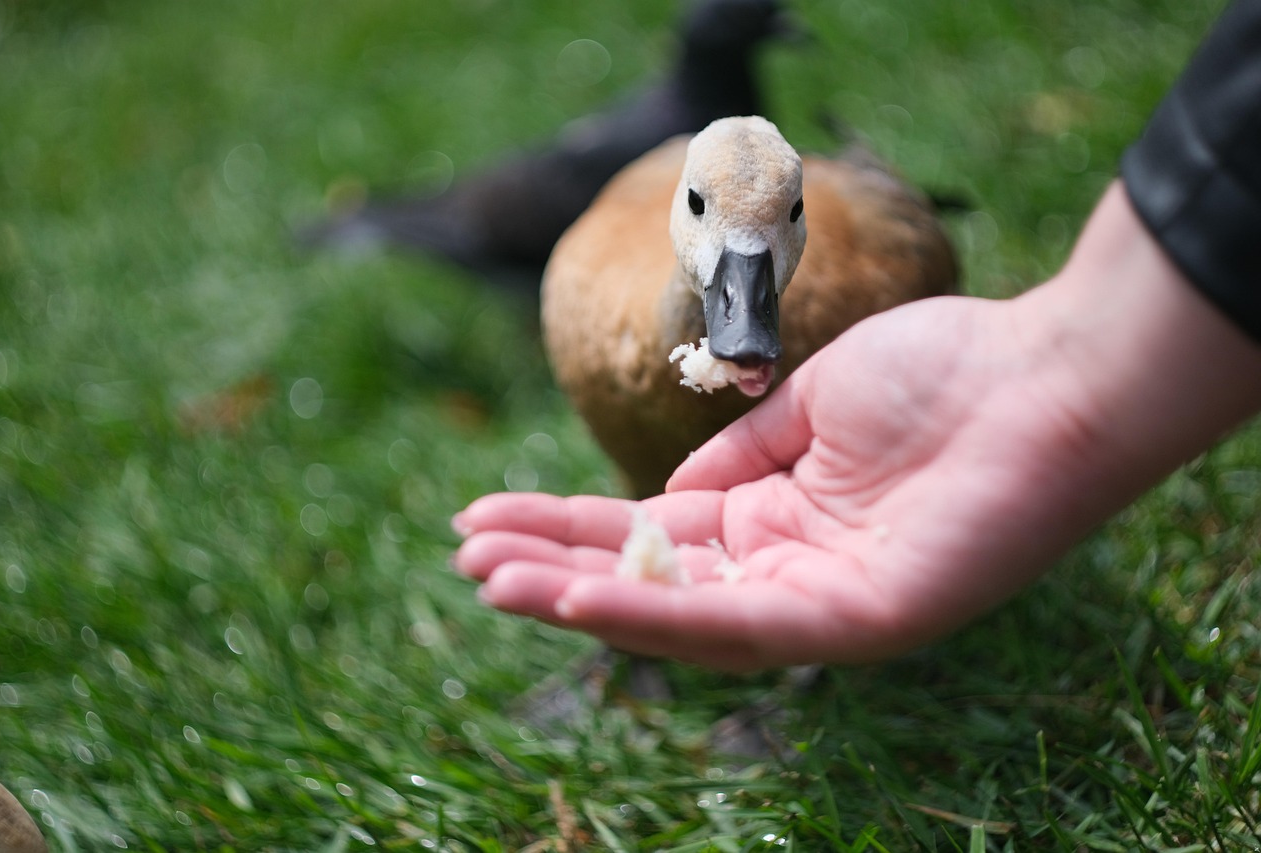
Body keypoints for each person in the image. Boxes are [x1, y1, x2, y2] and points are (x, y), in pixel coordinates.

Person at [451, 0, 1261, 672]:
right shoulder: (583, 269)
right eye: (703, 211)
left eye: (780, 223)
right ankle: (627, 652)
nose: (744, 310)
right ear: (676, 198)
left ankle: (806, 673)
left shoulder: (880, 280)